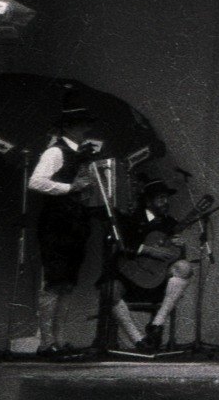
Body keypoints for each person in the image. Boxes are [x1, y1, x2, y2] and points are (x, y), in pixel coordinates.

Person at [28, 112, 105, 356]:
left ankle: (59, 340)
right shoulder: (55, 151)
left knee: (68, 282)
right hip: (57, 222)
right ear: (69, 127)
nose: (87, 127)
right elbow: (36, 182)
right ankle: (45, 341)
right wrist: (69, 187)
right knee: (54, 279)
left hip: (77, 221)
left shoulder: (85, 154)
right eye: (83, 123)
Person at [108, 177, 193, 352]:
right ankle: (139, 341)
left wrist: (180, 246)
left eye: (166, 198)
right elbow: (121, 246)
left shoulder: (171, 223)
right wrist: (147, 250)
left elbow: (175, 258)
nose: (165, 202)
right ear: (148, 201)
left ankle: (157, 324)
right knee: (110, 290)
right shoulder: (130, 219)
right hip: (130, 278)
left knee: (185, 267)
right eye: (161, 198)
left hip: (157, 280)